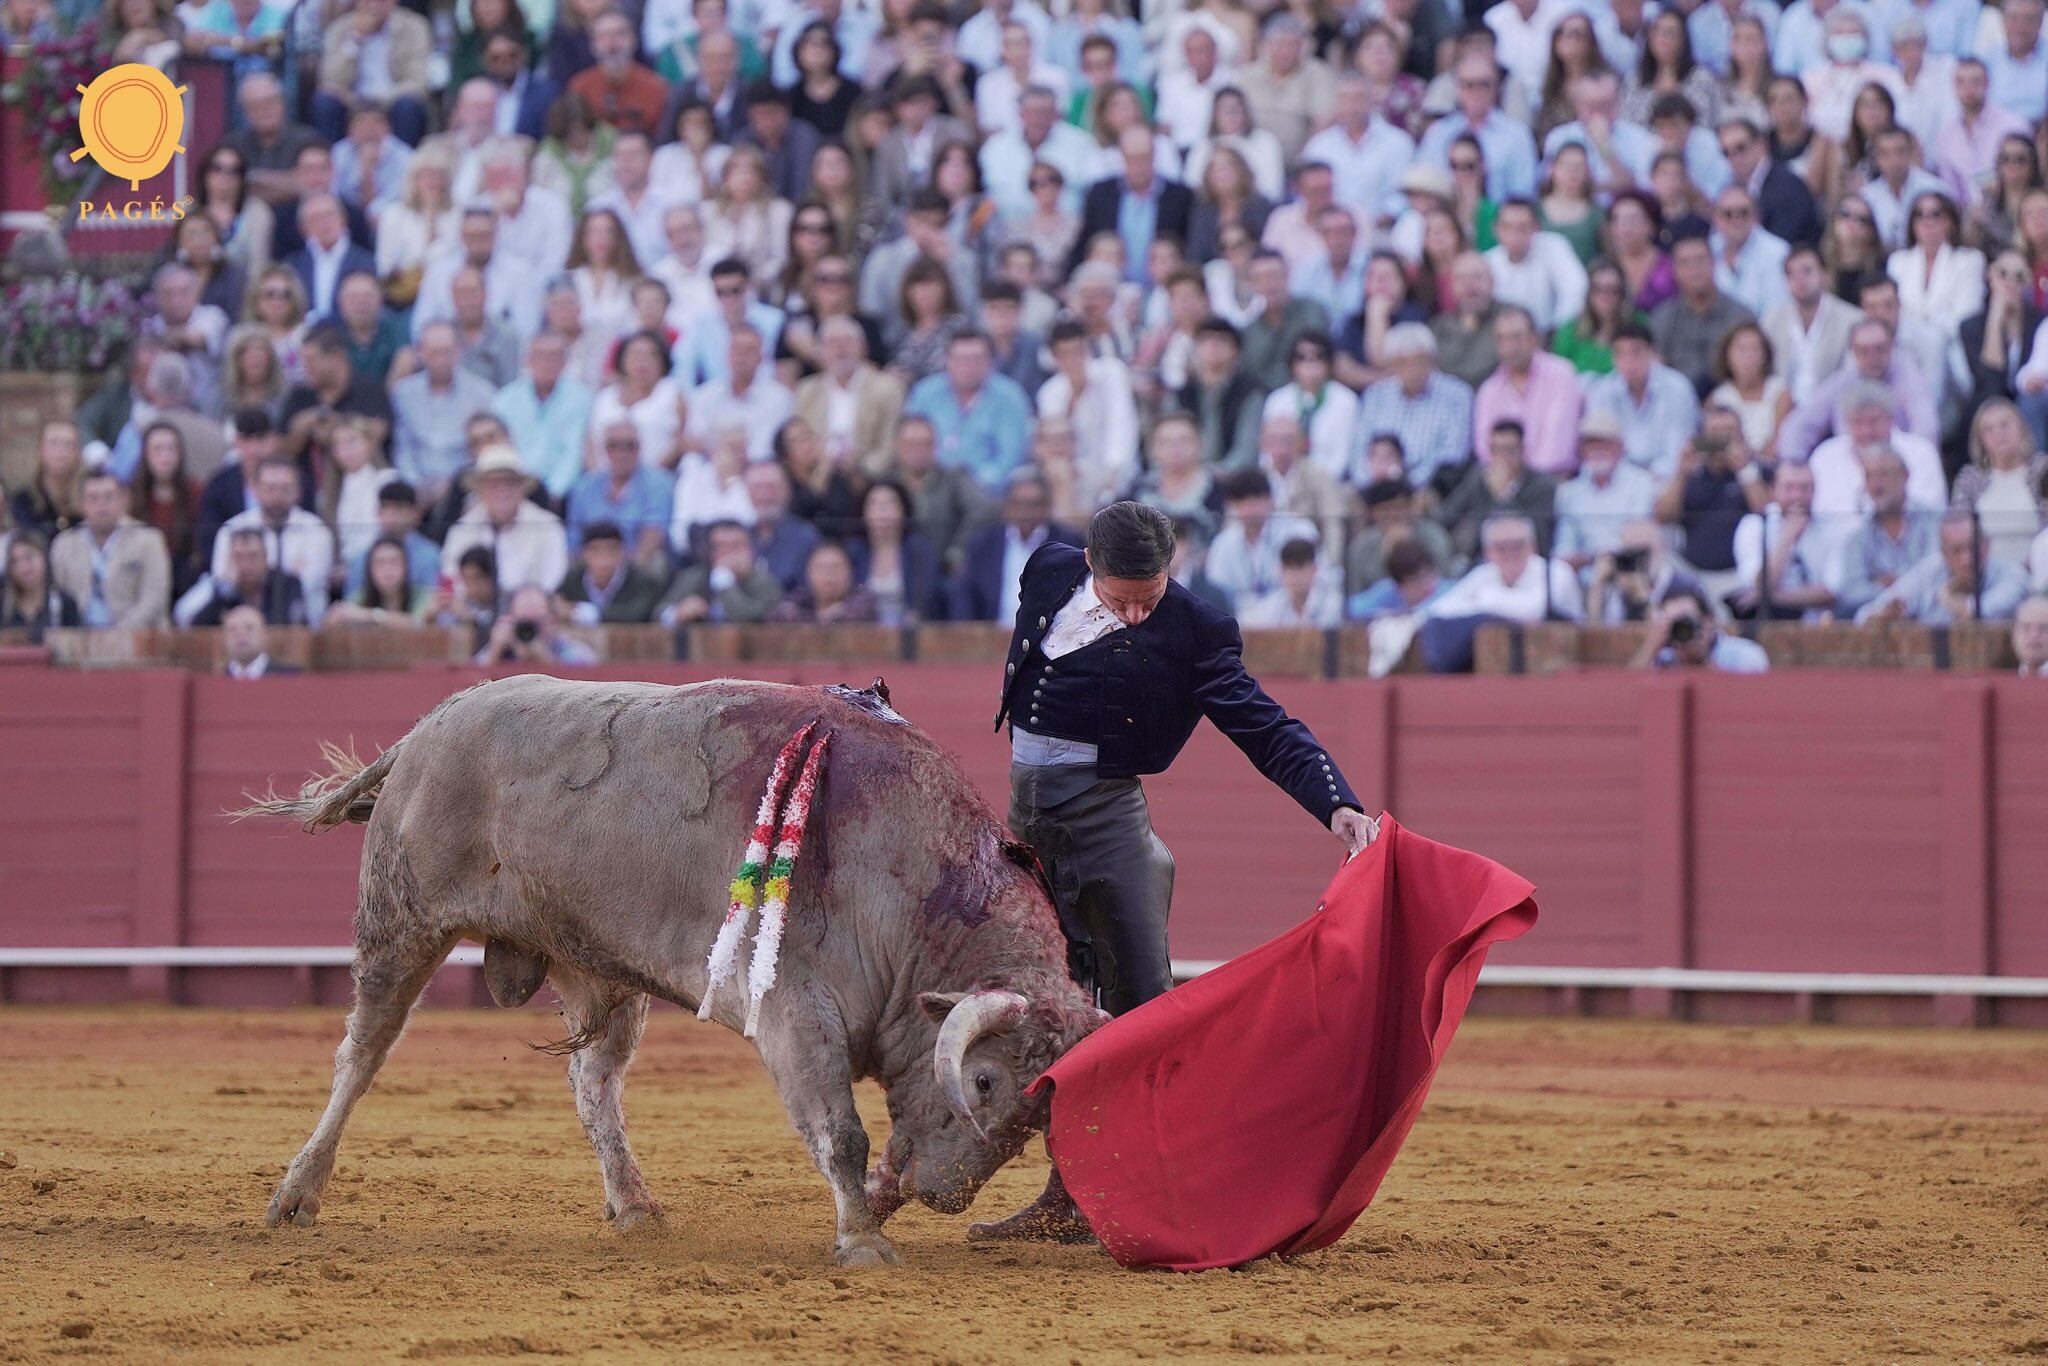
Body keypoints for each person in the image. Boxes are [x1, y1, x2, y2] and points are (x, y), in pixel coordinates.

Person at [974, 499, 1370, 1243]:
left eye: (1147, 600)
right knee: (1041, 1002)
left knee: (1140, 1009)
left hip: (1106, 821)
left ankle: (1145, 1194)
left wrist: (1334, 803)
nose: (1132, 615)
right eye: (1120, 599)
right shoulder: (1048, 570)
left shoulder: (1195, 629)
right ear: (1089, 567)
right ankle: (1067, 1198)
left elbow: (1261, 724)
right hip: (1026, 827)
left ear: (1172, 568)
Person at [205, 457, 335, 623]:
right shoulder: (232, 528)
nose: (277, 495)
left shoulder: (317, 530)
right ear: (255, 490)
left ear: (298, 491)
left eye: (285, 488)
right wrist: (286, 571)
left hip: (303, 620)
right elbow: (224, 579)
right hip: (243, 613)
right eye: (270, 488)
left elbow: (306, 584)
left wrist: (255, 574)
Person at [440, 446, 571, 597]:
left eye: (509, 483)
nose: (502, 492)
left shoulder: (548, 526)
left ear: (522, 488)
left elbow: (553, 580)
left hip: (530, 615)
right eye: (493, 485)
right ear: (480, 490)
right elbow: (451, 578)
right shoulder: (461, 530)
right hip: (472, 613)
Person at [50, 472, 173, 629]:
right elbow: (57, 596)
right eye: (93, 498)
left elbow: (154, 597)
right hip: (79, 639)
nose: (101, 504)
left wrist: (118, 633)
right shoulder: (64, 544)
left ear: (123, 500)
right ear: (82, 504)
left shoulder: (149, 540)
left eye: (109, 497)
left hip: (138, 639)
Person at [1858, 512, 2030, 623]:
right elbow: (1864, 615)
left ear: (1986, 545)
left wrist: (1947, 596)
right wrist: (1882, 615)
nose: (1966, 559)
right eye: (1956, 551)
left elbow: (1985, 612)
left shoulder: (2012, 575)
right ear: (1943, 553)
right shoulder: (1928, 571)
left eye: (1972, 547)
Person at [659, 518, 784, 624]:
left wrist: (724, 581)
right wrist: (677, 613)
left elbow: (746, 618)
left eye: (735, 546)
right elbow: (659, 613)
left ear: (750, 550)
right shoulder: (694, 577)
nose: (728, 553)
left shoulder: (763, 581)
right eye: (719, 547)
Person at [183, 526, 309, 627]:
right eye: (239, 558)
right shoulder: (225, 591)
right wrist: (226, 593)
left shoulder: (286, 583)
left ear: (265, 558)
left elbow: (295, 624)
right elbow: (198, 627)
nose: (246, 565)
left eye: (253, 556)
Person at [1630, 585, 1770, 671]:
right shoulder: (1663, 656)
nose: (1681, 630)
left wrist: (1701, 660)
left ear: (1708, 622)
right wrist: (1651, 647)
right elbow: (1627, 691)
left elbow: (1741, 702)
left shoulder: (1746, 655)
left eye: (1687, 622)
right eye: (1674, 624)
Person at [555, 522, 665, 624]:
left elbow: (638, 613)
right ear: (583, 554)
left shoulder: (643, 581)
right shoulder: (573, 579)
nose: (604, 559)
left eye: (611, 550)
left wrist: (584, 614)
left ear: (623, 552)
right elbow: (557, 601)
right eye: (595, 550)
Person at [477, 583, 598, 665]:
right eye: (523, 622)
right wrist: (495, 652)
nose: (528, 630)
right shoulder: (501, 648)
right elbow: (469, 685)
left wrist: (546, 660)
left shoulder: (571, 651)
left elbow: (585, 688)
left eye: (536, 622)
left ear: (551, 621)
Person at [0, 534, 81, 639]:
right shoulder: (2, 605)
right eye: (15, 561)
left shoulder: (64, 602)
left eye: (28, 557)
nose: (23, 566)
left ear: (44, 558)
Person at [220, 604, 297, 678]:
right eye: (233, 630)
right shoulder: (216, 681)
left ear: (264, 635)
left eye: (249, 628)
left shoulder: (291, 677)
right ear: (223, 639)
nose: (240, 634)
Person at [2013, 595, 2048, 674]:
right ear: (2014, 637)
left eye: (2043, 628)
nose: (2034, 635)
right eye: (2026, 628)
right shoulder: (2001, 680)